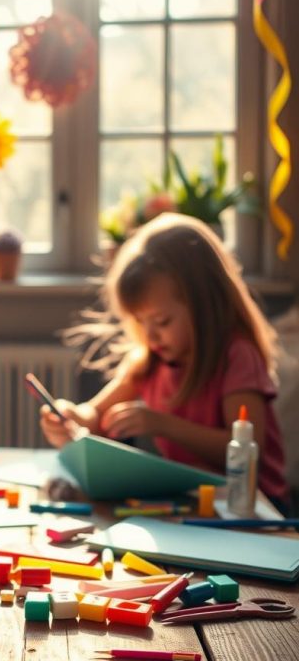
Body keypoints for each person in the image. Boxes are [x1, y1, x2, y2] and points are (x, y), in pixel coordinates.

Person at [40, 213, 289, 509]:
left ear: (205, 304)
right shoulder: (150, 360)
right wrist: (70, 417)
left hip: (256, 508)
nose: (150, 335)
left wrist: (162, 424)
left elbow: (246, 449)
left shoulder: (237, 356)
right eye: (141, 322)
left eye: (162, 320)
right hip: (194, 503)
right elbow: (94, 416)